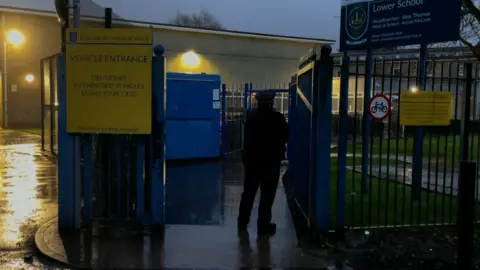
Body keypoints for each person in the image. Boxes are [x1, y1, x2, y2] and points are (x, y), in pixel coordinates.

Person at [237, 91, 289, 235]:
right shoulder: (277, 118)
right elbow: (285, 136)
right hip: (271, 162)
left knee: (248, 193)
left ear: (258, 102)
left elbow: (246, 140)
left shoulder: (251, 118)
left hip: (253, 162)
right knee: (267, 195)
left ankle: (242, 222)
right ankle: (263, 225)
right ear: (271, 103)